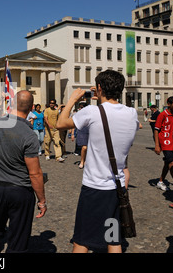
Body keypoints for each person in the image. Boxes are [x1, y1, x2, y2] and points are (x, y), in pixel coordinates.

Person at [56, 69, 140, 253]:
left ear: (99, 88)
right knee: (113, 239)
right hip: (117, 188)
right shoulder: (132, 113)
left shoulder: (92, 112)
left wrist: (72, 100)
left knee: (82, 240)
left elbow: (60, 124)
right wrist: (103, 98)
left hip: (95, 187)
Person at [0, 90, 47, 253]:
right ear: (32, 108)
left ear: (11, 104)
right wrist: (41, 200)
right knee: (18, 242)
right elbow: (35, 173)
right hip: (21, 191)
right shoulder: (29, 134)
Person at [154, 96, 173, 193]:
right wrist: (157, 145)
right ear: (168, 104)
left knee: (167, 163)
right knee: (171, 163)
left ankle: (160, 181)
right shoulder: (162, 115)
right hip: (165, 143)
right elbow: (156, 130)